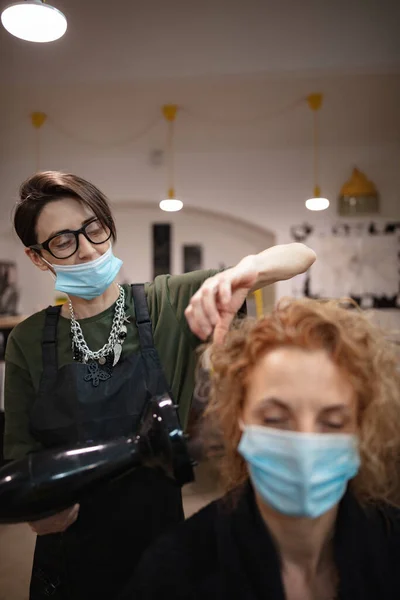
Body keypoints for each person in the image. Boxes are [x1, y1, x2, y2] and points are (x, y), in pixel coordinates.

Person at [3, 170, 316, 600]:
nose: (88, 249)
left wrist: (243, 273)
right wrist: (34, 510)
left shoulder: (166, 303)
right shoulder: (29, 340)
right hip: (68, 556)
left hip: (159, 546)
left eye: (94, 228)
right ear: (38, 257)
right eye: (63, 240)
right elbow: (19, 457)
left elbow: (300, 255)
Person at [127, 298, 400, 600]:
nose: (304, 443)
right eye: (275, 419)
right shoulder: (174, 571)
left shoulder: (390, 548)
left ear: (361, 427)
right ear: (239, 419)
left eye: (332, 423)